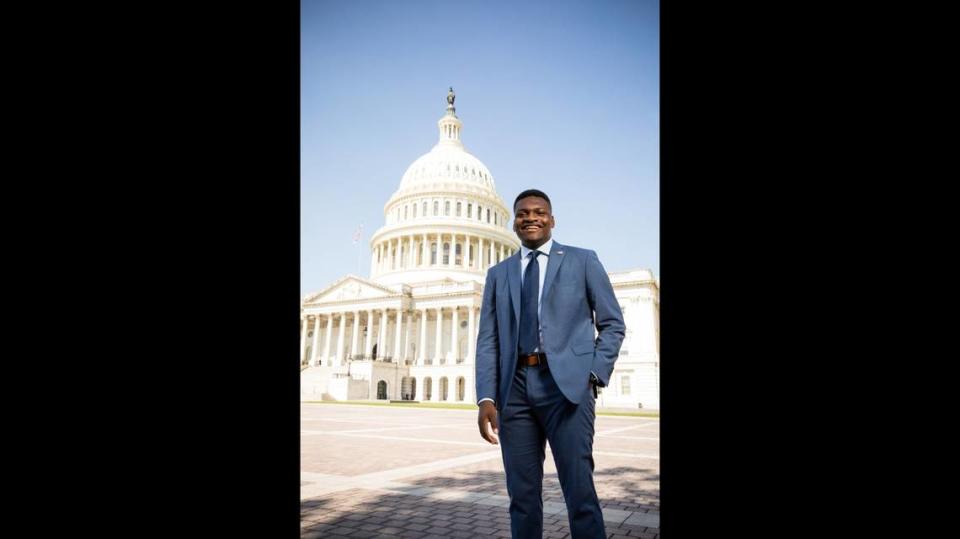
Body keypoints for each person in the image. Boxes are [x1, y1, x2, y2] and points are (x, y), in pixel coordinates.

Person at [475, 189, 625, 539]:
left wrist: (593, 374)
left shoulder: (582, 260)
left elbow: (613, 324)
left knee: (580, 493)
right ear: (513, 222)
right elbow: (488, 340)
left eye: (539, 212)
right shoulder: (498, 274)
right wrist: (486, 397)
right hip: (514, 390)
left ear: (552, 220)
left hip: (567, 389)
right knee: (522, 498)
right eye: (523, 213)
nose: (531, 218)